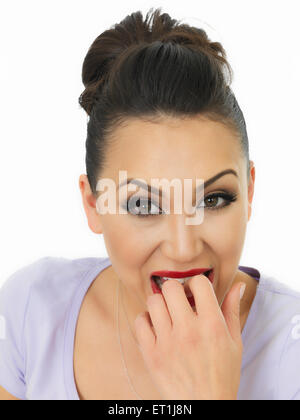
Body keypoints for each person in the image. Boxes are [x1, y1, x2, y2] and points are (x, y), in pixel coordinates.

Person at [1, 7, 300, 400]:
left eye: (213, 198)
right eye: (143, 205)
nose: (183, 248)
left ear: (249, 192)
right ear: (93, 205)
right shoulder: (31, 311)